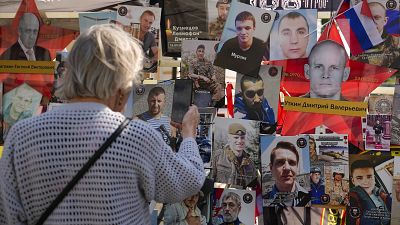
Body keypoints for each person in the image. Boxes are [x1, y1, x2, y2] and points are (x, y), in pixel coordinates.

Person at [0, 24, 205, 224]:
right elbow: (189, 181)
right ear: (122, 84)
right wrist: (188, 134)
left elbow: (6, 214)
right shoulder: (137, 137)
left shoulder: (21, 135)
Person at [214, 11, 266, 76]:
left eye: (247, 28)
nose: (243, 32)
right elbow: (218, 68)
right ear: (236, 29)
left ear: (254, 28)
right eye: (239, 28)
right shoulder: (228, 45)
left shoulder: (262, 47)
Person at [351, 2, 400, 69]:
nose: (372, 22)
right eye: (367, 18)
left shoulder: (396, 44)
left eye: (376, 18)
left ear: (385, 21)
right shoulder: (352, 43)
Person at [265, 141, 311, 206]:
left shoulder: (310, 199)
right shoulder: (263, 201)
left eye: (292, 163)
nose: (287, 168)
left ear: (297, 167)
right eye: (280, 162)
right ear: (271, 168)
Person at [348, 160, 391, 225]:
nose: (365, 182)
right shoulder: (351, 198)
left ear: (374, 178)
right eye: (359, 178)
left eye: (369, 177)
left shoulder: (382, 194)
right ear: (353, 181)